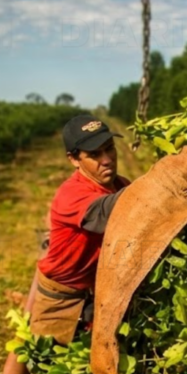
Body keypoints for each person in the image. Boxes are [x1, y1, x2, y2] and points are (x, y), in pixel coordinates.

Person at [30, 115, 129, 344]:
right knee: (53, 366)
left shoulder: (120, 185)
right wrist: (159, 179)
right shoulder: (72, 194)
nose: (107, 160)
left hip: (95, 294)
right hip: (61, 302)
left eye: (110, 149)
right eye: (94, 154)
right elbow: (111, 213)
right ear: (74, 160)